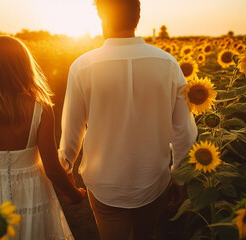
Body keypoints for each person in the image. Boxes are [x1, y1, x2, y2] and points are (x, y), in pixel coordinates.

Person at [58, 0, 198, 239]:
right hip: (153, 178)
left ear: (104, 18)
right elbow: (184, 131)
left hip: (105, 182)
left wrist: (66, 166)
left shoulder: (83, 66)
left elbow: (72, 131)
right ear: (137, 18)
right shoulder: (168, 64)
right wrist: (179, 175)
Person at [0, 35, 85, 239]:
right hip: (32, 190)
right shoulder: (40, 109)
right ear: (24, 67)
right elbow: (52, 168)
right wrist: (73, 194)